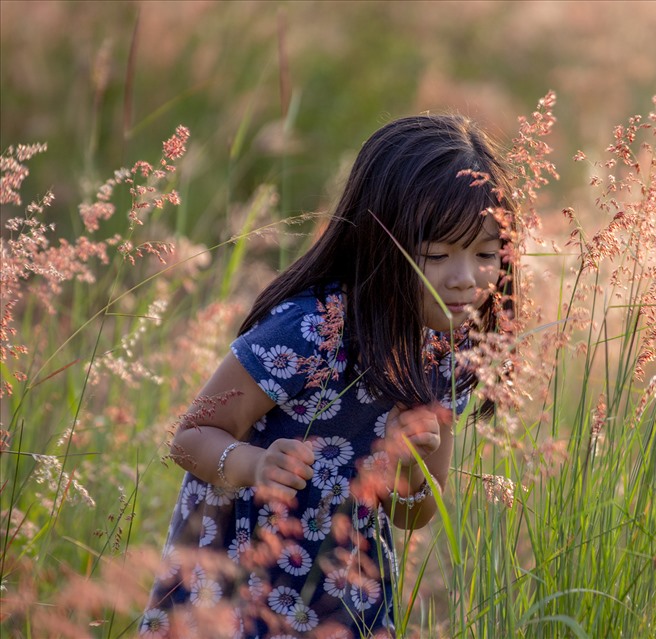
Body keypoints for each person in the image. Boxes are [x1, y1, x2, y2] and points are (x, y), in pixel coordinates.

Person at [139, 114, 515, 639]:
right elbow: (190, 437)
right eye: (436, 255)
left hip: (344, 590)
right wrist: (257, 465)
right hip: (235, 578)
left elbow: (414, 514)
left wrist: (411, 463)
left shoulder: (449, 350)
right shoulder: (313, 327)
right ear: (380, 245)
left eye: (485, 255)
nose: (464, 279)